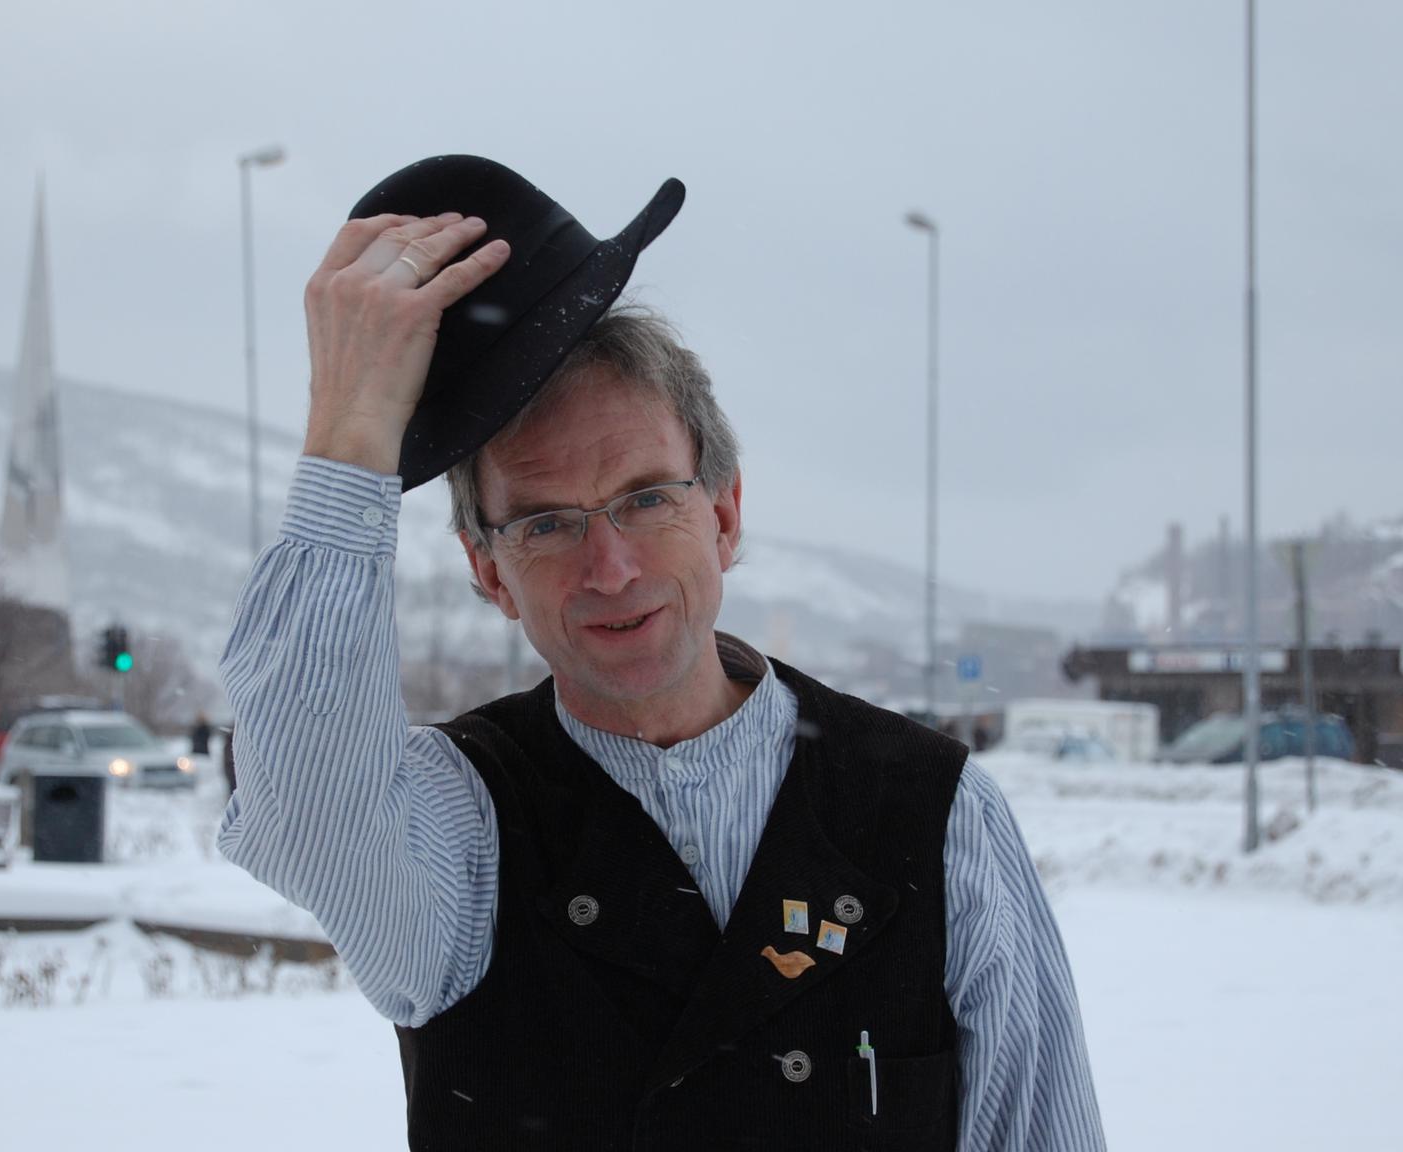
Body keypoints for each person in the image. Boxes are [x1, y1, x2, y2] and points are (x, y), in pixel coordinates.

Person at [219, 156, 1104, 1150]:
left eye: (646, 497)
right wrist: (349, 432)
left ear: (723, 513)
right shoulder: (458, 836)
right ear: (487, 571)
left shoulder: (930, 816)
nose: (610, 565)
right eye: (547, 524)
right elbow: (304, 804)